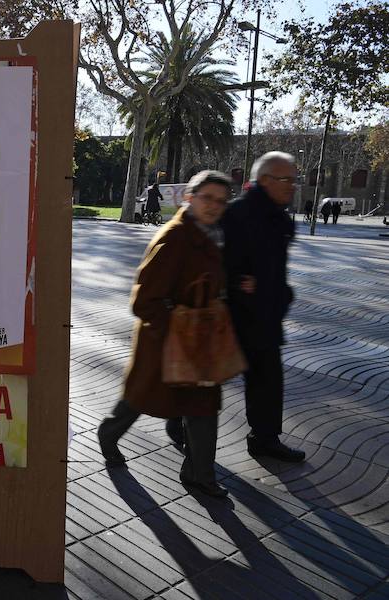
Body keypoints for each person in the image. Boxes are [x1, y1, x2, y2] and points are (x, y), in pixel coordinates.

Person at [97, 170, 234, 498]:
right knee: (138, 399)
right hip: (166, 341)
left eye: (220, 200)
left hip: (198, 341)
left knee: (202, 405)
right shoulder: (173, 238)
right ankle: (109, 434)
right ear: (189, 197)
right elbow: (143, 300)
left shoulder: (211, 235)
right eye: (207, 198)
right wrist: (178, 325)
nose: (214, 205)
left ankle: (199, 474)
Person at [221, 151, 305, 463]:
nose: (292, 186)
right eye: (287, 180)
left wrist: (281, 296)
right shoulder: (237, 214)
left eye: (294, 180)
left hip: (265, 316)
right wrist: (237, 284)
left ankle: (264, 439)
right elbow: (219, 261)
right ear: (266, 180)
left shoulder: (280, 217)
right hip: (234, 315)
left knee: (268, 380)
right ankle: (179, 422)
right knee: (208, 377)